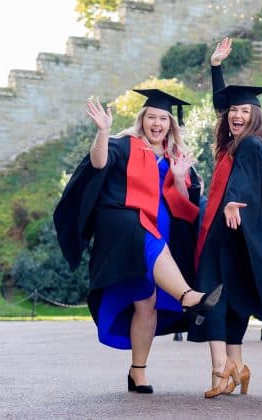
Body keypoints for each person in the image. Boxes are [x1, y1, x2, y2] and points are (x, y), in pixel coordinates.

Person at [54, 90, 222, 394]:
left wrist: (180, 177)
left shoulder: (176, 157)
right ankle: (187, 296)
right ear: (142, 119)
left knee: (147, 305)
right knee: (143, 237)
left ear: (170, 124)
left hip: (163, 233)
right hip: (126, 229)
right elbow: (98, 163)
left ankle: (138, 372)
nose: (157, 123)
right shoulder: (124, 145)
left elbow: (185, 207)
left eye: (163, 119)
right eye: (151, 117)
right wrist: (103, 131)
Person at [188, 38, 262, 399]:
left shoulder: (251, 144)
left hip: (226, 230)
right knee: (232, 298)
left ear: (256, 116)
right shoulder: (230, 145)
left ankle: (219, 370)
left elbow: (243, 180)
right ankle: (237, 367)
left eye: (244, 111)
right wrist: (216, 68)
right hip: (233, 234)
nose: (237, 115)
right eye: (233, 111)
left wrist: (231, 202)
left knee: (211, 296)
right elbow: (220, 105)